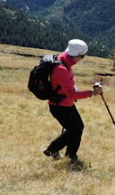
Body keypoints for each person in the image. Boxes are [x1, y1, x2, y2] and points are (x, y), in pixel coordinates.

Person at [43, 39, 102, 167]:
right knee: (75, 129)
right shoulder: (62, 69)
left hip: (65, 104)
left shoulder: (64, 61)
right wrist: (92, 93)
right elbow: (71, 94)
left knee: (77, 128)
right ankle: (56, 151)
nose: (82, 59)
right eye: (82, 56)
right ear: (77, 55)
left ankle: (65, 154)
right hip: (60, 106)